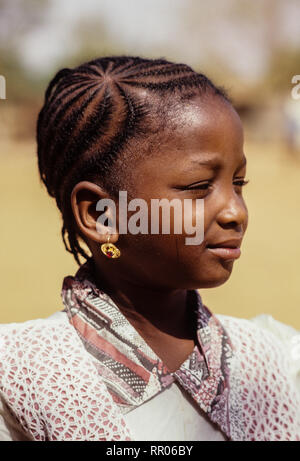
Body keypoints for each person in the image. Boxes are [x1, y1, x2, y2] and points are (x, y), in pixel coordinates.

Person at [0, 55, 299, 441]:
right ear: (101, 215)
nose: (235, 212)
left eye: (238, 183)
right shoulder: (22, 376)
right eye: (198, 187)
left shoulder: (271, 360)